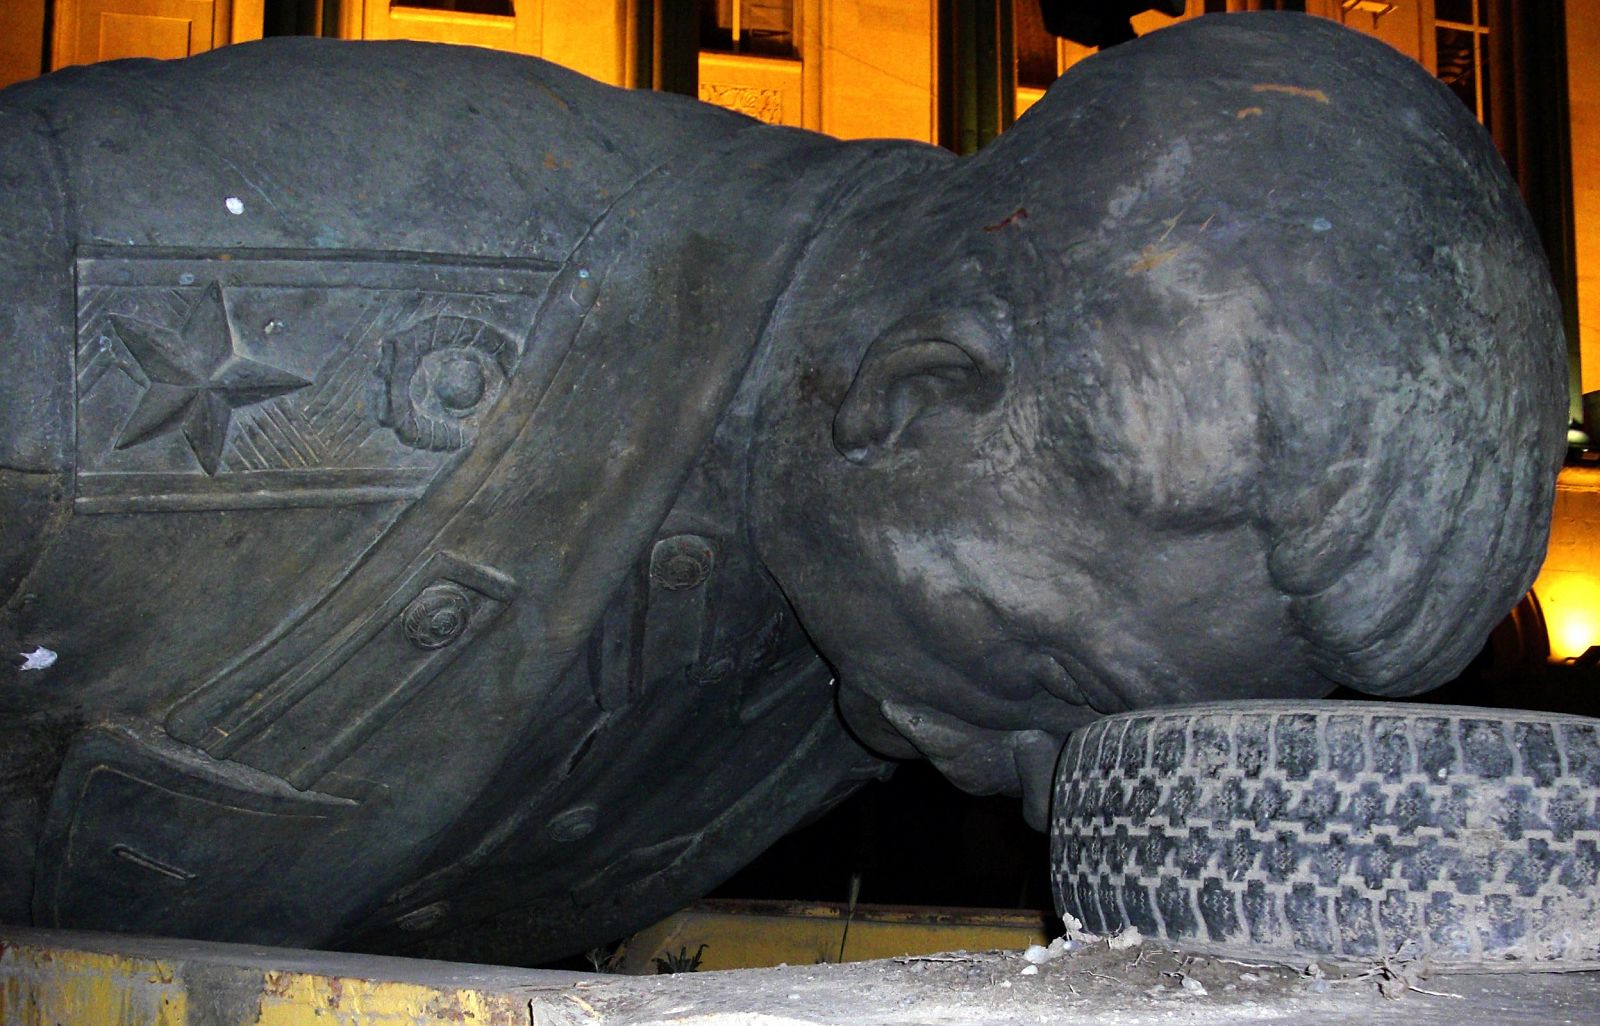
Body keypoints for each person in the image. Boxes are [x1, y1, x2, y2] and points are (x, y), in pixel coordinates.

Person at [0, 12, 1564, 963]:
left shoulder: (866, 574)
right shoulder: (100, 303)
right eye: (1065, 682)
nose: (1041, 784)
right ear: (917, 393)